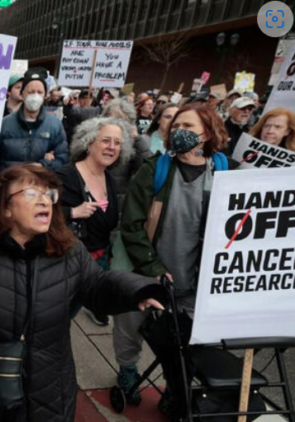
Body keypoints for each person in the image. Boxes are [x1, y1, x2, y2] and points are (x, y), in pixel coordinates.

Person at [0, 164, 165, 422]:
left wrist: (135, 290)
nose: (44, 201)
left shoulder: (69, 250)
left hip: (49, 388)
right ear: (5, 208)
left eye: (49, 195)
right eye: (31, 193)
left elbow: (97, 286)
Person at [117, 104, 232, 416]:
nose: (179, 130)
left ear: (206, 132)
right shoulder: (155, 170)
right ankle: (127, 371)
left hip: (196, 280)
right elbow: (132, 223)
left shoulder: (224, 171)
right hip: (149, 271)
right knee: (131, 327)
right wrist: (153, 268)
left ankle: (174, 387)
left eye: (188, 125)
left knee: (184, 344)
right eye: (176, 124)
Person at [57, 118, 134, 326]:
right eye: (106, 140)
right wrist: (71, 212)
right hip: (64, 264)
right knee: (52, 318)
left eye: (117, 143)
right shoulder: (65, 175)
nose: (112, 147)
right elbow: (37, 211)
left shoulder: (109, 178)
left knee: (66, 316)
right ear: (89, 143)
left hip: (94, 267)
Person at [0, 69, 69, 198]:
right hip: (8, 192)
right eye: (31, 92)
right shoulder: (4, 124)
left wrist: (43, 165)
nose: (35, 96)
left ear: (45, 96)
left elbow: (63, 160)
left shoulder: (54, 125)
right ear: (22, 94)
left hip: (39, 192)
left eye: (39, 92)